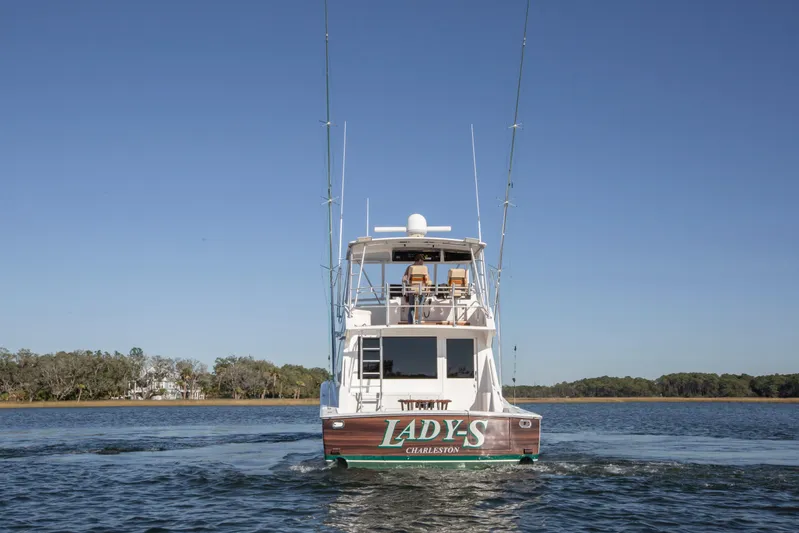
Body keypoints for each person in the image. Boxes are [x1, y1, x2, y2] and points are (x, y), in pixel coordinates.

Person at [402, 254, 426, 323]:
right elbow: (427, 280)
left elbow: (404, 279)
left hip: (412, 290)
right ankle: (418, 323)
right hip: (422, 290)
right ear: (420, 260)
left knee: (412, 307)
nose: (423, 263)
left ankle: (410, 323)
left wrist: (405, 288)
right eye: (423, 261)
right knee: (420, 307)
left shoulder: (410, 267)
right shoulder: (424, 268)